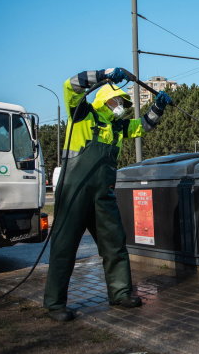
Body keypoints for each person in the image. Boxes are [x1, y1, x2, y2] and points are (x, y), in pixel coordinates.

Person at [44, 67, 172, 322]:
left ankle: (120, 293)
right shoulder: (82, 115)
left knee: (114, 244)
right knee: (64, 248)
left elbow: (143, 126)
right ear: (104, 100)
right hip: (74, 193)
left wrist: (158, 107)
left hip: (103, 194)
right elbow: (70, 86)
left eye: (123, 103)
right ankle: (55, 304)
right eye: (116, 101)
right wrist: (105, 73)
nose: (120, 106)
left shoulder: (117, 127)